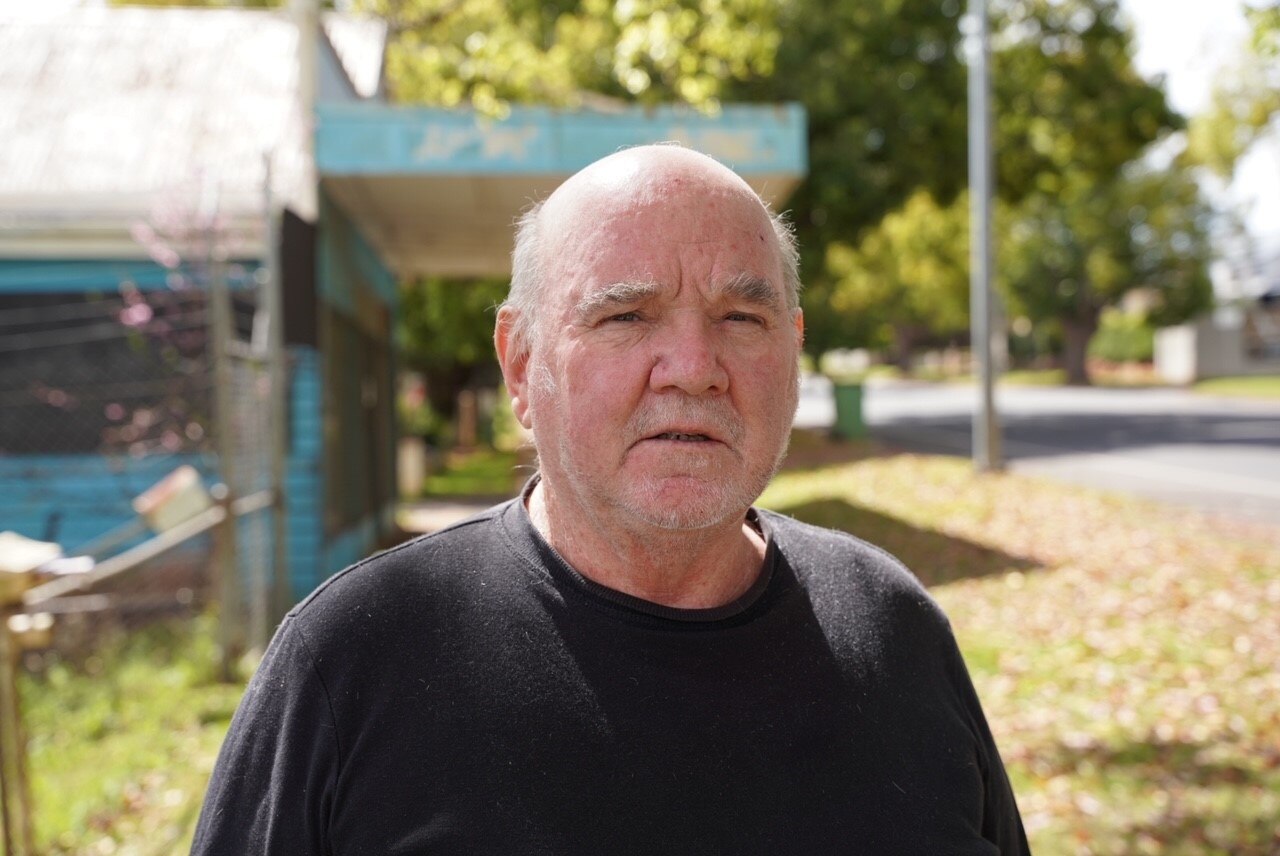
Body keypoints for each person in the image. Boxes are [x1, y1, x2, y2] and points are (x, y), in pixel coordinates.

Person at [192, 144, 1029, 854]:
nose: (695, 366)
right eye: (626, 316)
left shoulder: (896, 629)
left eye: (742, 316)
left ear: (795, 351)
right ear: (522, 366)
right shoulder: (352, 664)